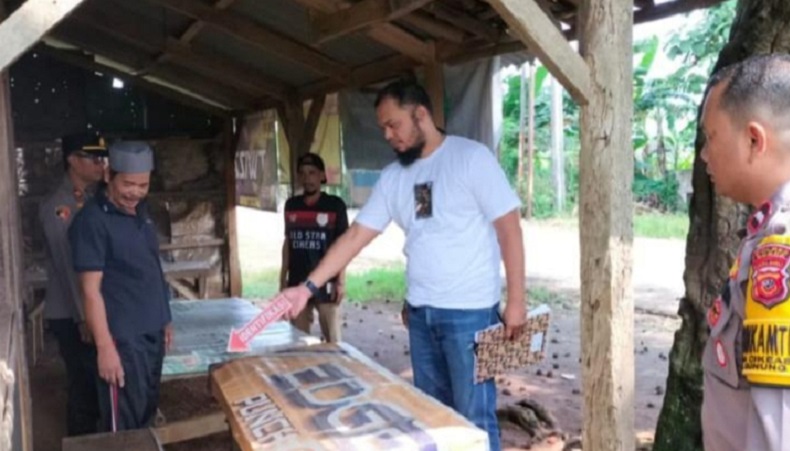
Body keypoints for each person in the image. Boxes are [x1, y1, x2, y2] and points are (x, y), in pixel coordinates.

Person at [275, 79, 526, 451]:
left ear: (420, 114)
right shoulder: (395, 177)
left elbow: (509, 228)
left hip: (470, 315)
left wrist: (517, 301)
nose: (388, 135)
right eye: (383, 128)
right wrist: (307, 287)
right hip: (421, 316)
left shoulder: (470, 158)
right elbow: (356, 235)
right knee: (432, 415)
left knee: (474, 418)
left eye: (394, 125)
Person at [700, 53, 790, 451]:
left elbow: (779, 426)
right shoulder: (765, 230)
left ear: (754, 140)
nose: (704, 155)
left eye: (712, 137)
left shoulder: (780, 245)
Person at [69, 141, 173, 432]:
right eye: (128, 184)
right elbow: (90, 290)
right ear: (108, 175)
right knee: (123, 425)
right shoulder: (92, 221)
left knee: (146, 412)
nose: (136, 193)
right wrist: (105, 347)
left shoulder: (142, 211)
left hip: (151, 330)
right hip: (122, 338)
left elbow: (152, 268)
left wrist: (164, 318)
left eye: (143, 185)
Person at [38, 133, 107, 436]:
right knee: (82, 386)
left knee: (95, 383)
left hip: (89, 308)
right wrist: (84, 317)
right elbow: (67, 267)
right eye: (92, 157)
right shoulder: (57, 206)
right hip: (72, 313)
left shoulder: (93, 199)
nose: (99, 163)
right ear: (71, 160)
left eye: (101, 157)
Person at [280, 153, 349, 343]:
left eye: (312, 173)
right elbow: (288, 244)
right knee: (298, 340)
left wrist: (341, 281)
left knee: (334, 340)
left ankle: (338, 371)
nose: (307, 178)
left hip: (327, 283)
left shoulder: (335, 206)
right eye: (302, 173)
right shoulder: (291, 205)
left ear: (321, 176)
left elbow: (343, 246)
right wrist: (282, 278)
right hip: (297, 281)